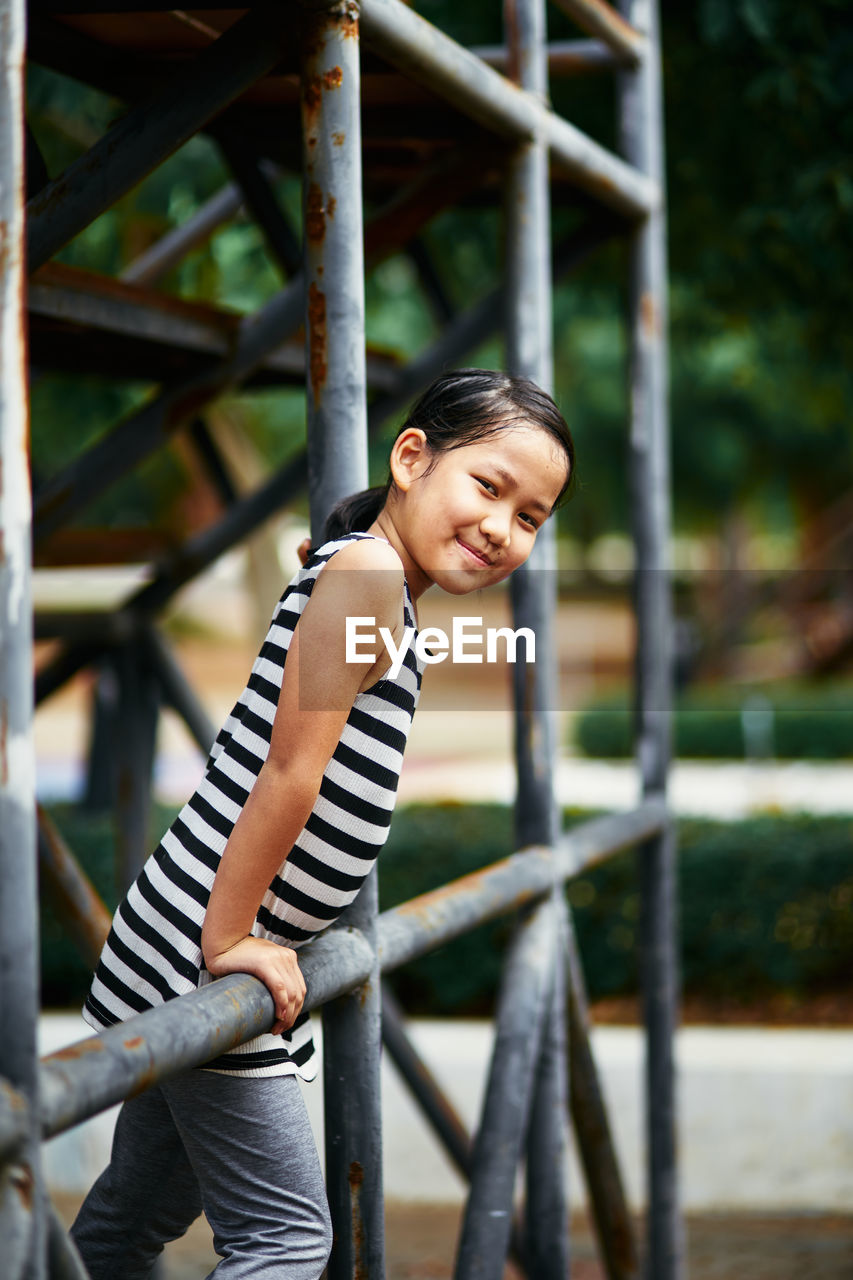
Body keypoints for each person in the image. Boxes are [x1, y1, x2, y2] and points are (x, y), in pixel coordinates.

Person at [71, 368, 575, 1279]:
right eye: (488, 487)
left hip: (191, 933)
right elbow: (288, 773)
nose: (503, 528)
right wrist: (231, 938)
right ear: (411, 458)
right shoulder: (371, 573)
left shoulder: (375, 577)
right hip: (202, 940)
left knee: (129, 1221)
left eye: (531, 517)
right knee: (287, 1239)